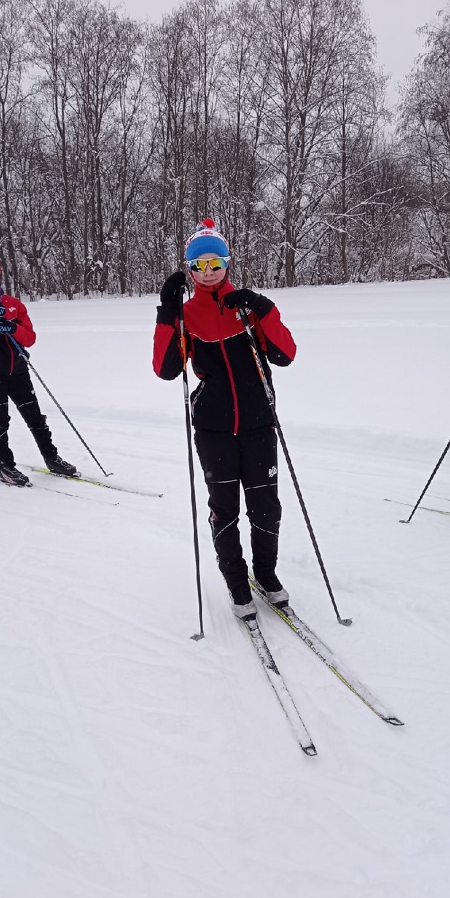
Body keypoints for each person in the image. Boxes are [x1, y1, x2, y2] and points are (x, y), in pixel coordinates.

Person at [152, 219, 297, 619]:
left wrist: (264, 308)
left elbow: (285, 354)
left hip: (258, 422)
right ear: (190, 269)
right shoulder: (186, 315)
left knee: (266, 507)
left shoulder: (246, 307)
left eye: (215, 262)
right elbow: (165, 369)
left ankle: (265, 575)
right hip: (213, 428)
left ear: (227, 262)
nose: (208, 271)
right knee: (225, 508)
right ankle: (236, 582)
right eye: (198, 265)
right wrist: (167, 313)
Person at [0, 255, 79, 487]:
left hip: (18, 371)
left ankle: (52, 458)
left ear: (0, 276)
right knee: (0, 421)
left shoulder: (14, 304)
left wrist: (12, 327)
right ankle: (5, 466)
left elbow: (30, 338)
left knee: (35, 417)